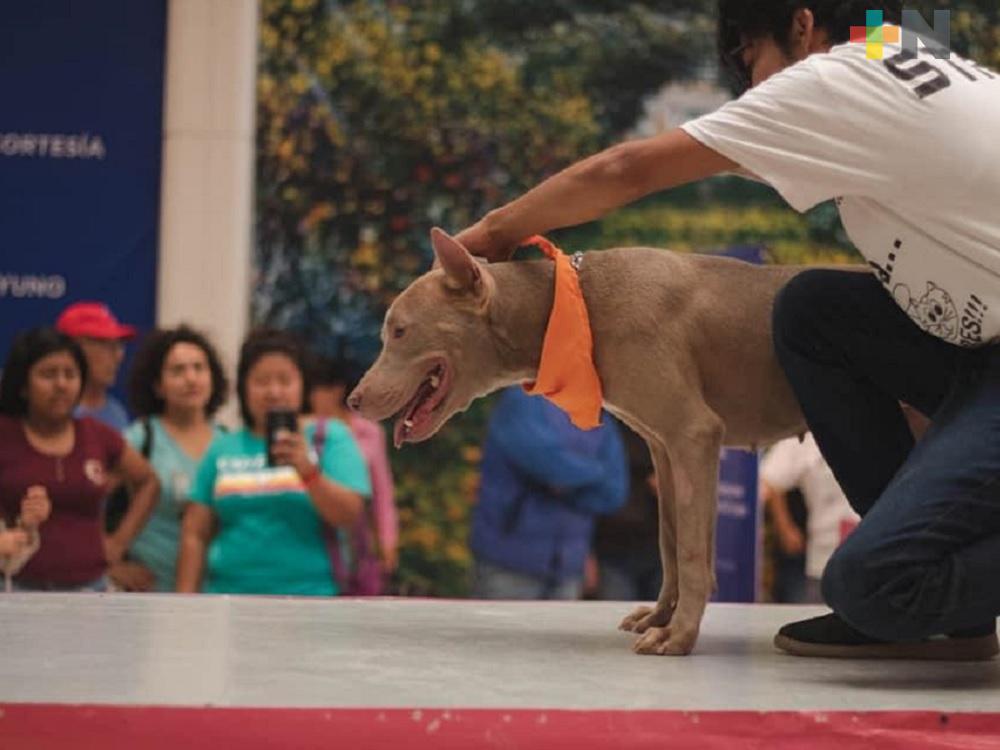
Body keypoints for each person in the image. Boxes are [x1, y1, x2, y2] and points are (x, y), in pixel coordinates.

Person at [456, 1, 1000, 657]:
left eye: (750, 61)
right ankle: (941, 612)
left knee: (869, 581)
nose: (751, 90)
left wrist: (492, 234)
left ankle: (892, 585)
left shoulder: (829, 78)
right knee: (811, 310)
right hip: (977, 355)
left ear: (801, 25)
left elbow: (625, 170)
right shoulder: (910, 58)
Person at [176, 329, 371, 596]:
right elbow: (195, 533)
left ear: (302, 385)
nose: (274, 391)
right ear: (244, 388)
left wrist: (307, 471)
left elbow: (349, 514)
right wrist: (183, 603)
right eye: (261, 381)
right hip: (227, 598)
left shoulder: (330, 438)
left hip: (312, 600)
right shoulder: (223, 447)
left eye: (285, 380)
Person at [0, 328, 158, 592]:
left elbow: (148, 481)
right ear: (23, 386)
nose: (61, 384)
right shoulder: (5, 433)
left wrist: (118, 542)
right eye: (48, 374)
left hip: (90, 587)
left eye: (70, 374)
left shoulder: (97, 434)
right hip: (14, 586)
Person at [470, 387, 627, 600]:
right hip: (509, 561)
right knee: (507, 634)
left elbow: (614, 493)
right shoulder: (523, 396)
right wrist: (594, 473)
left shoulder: (597, 408)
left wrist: (566, 483)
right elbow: (547, 464)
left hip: (569, 567)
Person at [109, 326, 230, 592]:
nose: (191, 379)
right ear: (157, 386)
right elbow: (86, 500)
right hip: (150, 590)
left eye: (199, 368)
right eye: (177, 371)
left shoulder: (228, 442)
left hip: (218, 590)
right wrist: (109, 565)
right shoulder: (140, 439)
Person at [309, 354, 399, 592]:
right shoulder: (307, 431)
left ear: (336, 390)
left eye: (318, 389)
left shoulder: (368, 432)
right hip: (317, 529)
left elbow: (382, 491)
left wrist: (387, 541)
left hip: (358, 535)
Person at [760, 434, 860, 604]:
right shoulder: (806, 437)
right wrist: (785, 529)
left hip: (878, 559)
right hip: (825, 556)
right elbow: (770, 481)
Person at [591, 426, 662, 602]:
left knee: (663, 622)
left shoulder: (664, 425)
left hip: (660, 547)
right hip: (613, 546)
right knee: (616, 622)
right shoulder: (608, 424)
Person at [55, 301, 136, 431]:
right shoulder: (51, 414)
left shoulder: (118, 414)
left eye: (119, 345)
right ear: (74, 349)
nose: (118, 356)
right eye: (106, 345)